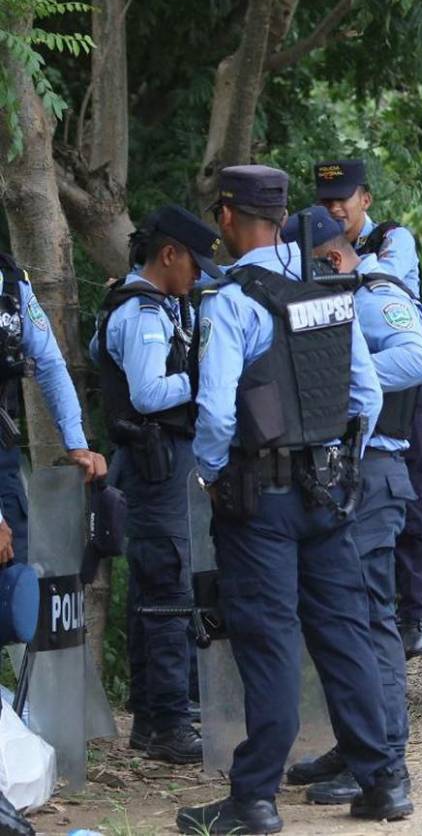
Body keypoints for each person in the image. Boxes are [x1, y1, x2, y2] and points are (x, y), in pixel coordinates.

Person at [179, 166, 410, 834]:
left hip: (259, 499)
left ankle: (253, 799)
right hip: (330, 489)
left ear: (227, 217)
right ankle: (383, 780)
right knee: (343, 634)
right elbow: (365, 395)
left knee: (270, 641)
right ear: (283, 215)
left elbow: (218, 413)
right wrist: (341, 463)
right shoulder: (331, 285)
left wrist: (212, 475)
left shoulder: (232, 300)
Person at [283, 205, 422, 806]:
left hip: (373, 474)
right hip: (344, 476)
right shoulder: (332, 293)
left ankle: (385, 760)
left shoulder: (374, 293)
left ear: (332, 255)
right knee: (339, 620)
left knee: (372, 622)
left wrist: (343, 378)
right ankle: (356, 745)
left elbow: (420, 359)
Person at [97, 206, 219, 766]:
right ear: (168, 254)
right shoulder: (143, 312)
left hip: (152, 465)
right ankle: (169, 720)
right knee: (170, 592)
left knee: (155, 591)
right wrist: (206, 374)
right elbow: (147, 393)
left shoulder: (137, 301)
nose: (199, 275)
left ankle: (155, 717)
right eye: (195, 263)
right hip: (156, 465)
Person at [314, 159, 422, 656]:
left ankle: (420, 610)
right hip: (360, 390)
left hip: (406, 382)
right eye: (326, 201)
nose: (335, 207)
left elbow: (385, 280)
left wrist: (346, 262)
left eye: (342, 198)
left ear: (365, 198)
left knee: (411, 489)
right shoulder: (321, 245)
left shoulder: (390, 241)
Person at [0, 252, 107, 566]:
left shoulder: (12, 285)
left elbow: (49, 363)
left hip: (3, 459)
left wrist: (76, 444)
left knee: (16, 589)